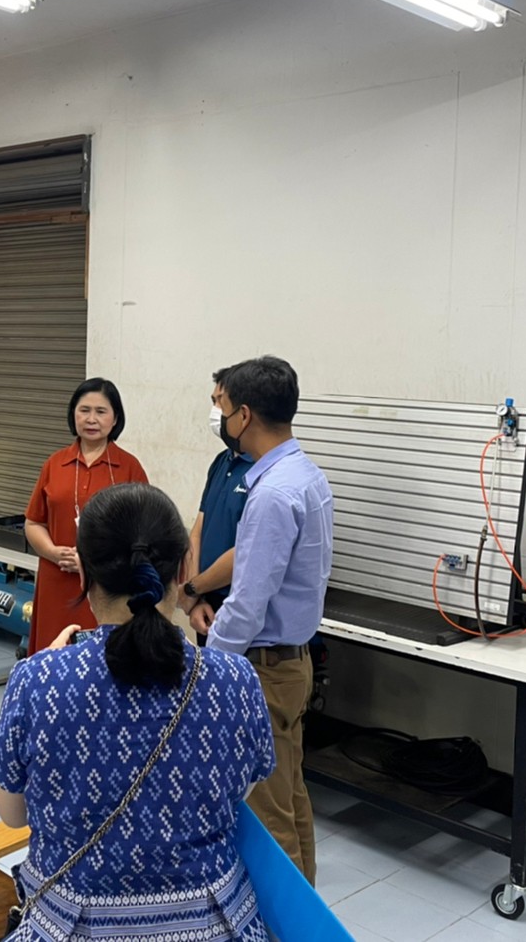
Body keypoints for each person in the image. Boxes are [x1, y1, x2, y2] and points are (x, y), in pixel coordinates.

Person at [0, 482, 274, 941]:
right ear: (183, 568)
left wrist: (46, 671)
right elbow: (239, 791)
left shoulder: (37, 681)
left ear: (84, 572)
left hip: (70, 925)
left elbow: (12, 813)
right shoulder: (236, 680)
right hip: (213, 926)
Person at [203, 356, 333, 885]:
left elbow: (247, 603)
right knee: (291, 798)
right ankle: (307, 911)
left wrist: (208, 668)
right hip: (290, 664)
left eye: (223, 407)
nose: (220, 417)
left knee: (266, 813)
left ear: (244, 416)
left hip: (264, 670)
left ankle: (286, 921)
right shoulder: (304, 475)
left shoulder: (274, 493)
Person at [22, 377, 148, 655]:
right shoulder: (54, 463)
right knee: (52, 657)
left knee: (103, 660)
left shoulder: (129, 468)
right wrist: (53, 552)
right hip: (57, 581)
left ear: (115, 419)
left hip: (108, 588)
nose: (92, 419)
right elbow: (34, 522)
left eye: (101, 411)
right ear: (73, 414)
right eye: (84, 410)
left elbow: (144, 533)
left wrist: (96, 561)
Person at [180, 366, 253, 642]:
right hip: (205, 603)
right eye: (212, 401)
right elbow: (198, 531)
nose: (215, 411)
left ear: (243, 411)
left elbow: (247, 551)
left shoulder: (264, 470)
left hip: (238, 605)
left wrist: (192, 589)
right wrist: (196, 600)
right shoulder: (222, 461)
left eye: (220, 401)